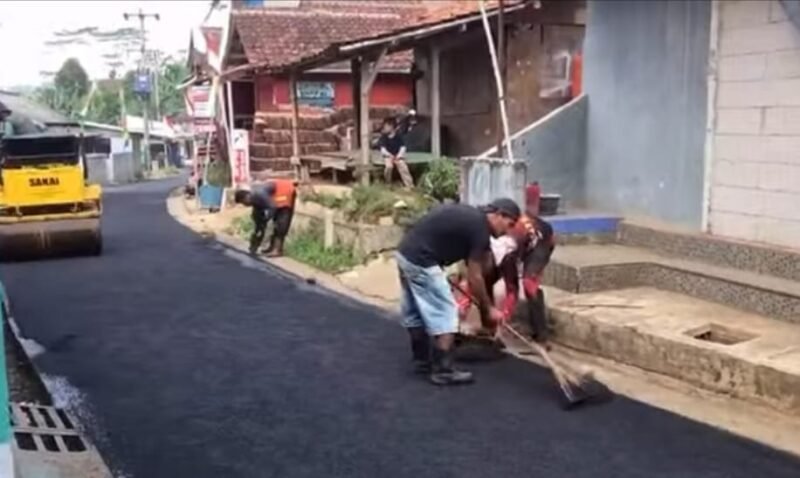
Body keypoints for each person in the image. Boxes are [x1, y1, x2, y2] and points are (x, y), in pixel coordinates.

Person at [396, 198, 520, 386]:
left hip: (406, 253)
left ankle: (422, 361)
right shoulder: (480, 230)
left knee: (415, 312)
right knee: (447, 313)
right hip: (422, 260)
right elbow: (475, 276)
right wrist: (488, 309)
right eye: (509, 225)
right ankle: (443, 371)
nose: (507, 232)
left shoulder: (472, 218)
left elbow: (477, 265)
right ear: (499, 215)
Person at [234, 178, 297, 257]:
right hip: (275, 194)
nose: (245, 205)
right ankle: (271, 247)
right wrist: (257, 233)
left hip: (285, 190)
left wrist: (266, 219)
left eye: (243, 202)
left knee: (280, 222)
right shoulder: (255, 201)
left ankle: (277, 250)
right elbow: (258, 222)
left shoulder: (259, 194)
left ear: (247, 196)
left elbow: (272, 207)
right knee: (268, 221)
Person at [378, 117, 414, 188]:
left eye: (386, 126)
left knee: (403, 166)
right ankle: (388, 183)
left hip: (398, 156)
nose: (384, 128)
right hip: (388, 156)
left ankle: (409, 185)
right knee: (389, 167)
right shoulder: (384, 137)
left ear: (391, 127)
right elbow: (383, 149)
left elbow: (403, 147)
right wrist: (389, 155)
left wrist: (399, 155)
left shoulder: (399, 136)